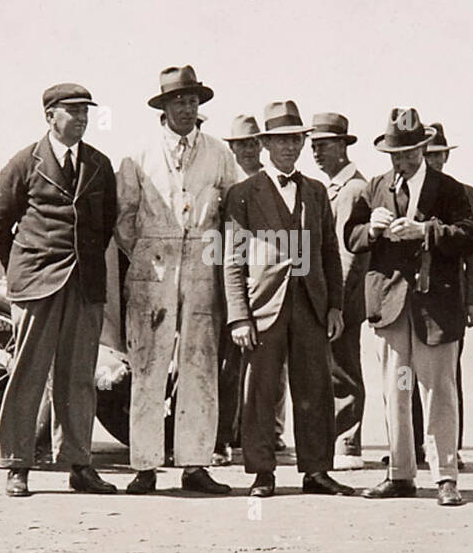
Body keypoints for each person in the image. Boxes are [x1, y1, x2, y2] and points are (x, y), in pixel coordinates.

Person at [0, 82, 119, 497]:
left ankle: (79, 465)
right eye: (72, 111)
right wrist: (24, 269)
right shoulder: (24, 162)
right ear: (50, 117)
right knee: (27, 374)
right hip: (36, 286)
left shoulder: (98, 164)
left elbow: (106, 223)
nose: (81, 118)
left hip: (84, 287)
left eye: (85, 112)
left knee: (79, 379)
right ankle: (16, 464)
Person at [116, 65, 240, 495]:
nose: (187, 109)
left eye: (193, 101)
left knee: (200, 362)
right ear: (163, 108)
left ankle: (195, 463)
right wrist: (153, 252)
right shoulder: (137, 154)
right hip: (152, 268)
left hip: (203, 267)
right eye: (178, 101)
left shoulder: (219, 152)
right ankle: (145, 464)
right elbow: (124, 217)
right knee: (148, 364)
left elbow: (234, 207)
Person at [344, 109, 473, 506]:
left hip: (434, 307)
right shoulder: (375, 186)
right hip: (390, 306)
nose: (400, 162)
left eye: (407, 154)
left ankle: (445, 477)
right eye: (394, 155)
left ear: (423, 148)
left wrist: (426, 231)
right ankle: (400, 473)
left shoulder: (451, 189)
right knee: (396, 389)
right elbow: (352, 237)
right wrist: (372, 229)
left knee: (438, 390)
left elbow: (468, 237)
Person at [223, 101, 352, 497]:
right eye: (280, 141)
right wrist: (239, 317)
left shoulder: (314, 192)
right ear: (265, 144)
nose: (289, 148)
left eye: (295, 140)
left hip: (310, 305)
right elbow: (232, 260)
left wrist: (334, 306)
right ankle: (262, 473)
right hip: (263, 308)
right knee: (260, 391)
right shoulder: (243, 194)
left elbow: (331, 251)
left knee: (314, 389)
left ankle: (316, 471)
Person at [214, 114, 286, 463]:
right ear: (231, 147)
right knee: (228, 364)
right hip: (227, 279)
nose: (247, 148)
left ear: (262, 144)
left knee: (271, 364)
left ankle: (270, 430)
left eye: (252, 141)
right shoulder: (224, 181)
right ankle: (224, 436)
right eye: (240, 143)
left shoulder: (273, 180)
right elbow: (218, 241)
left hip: (266, 285)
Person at [417, 122, 473, 467]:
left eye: (439, 154)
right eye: (428, 155)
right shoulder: (409, 189)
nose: (434, 161)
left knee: (447, 374)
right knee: (408, 375)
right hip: (413, 296)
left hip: (450, 296)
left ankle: (449, 448)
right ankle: (413, 447)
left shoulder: (462, 192)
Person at [310, 112, 370, 471]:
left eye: (325, 145)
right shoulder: (334, 187)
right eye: (314, 146)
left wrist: (338, 304)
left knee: (343, 367)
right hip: (331, 297)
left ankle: (348, 441)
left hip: (343, 298)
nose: (316, 153)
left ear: (343, 147)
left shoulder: (352, 190)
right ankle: (339, 437)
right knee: (333, 366)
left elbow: (350, 254)